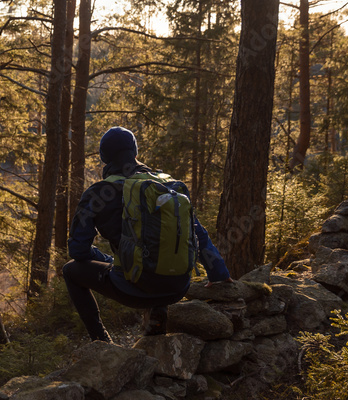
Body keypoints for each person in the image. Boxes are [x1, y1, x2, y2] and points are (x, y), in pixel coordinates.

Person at [63, 126, 232, 342]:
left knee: (70, 270)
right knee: (157, 246)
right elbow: (196, 233)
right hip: (178, 286)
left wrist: (108, 260)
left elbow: (78, 251)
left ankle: (101, 341)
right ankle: (155, 330)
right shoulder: (168, 184)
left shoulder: (98, 193)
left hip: (134, 289)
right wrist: (218, 271)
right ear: (135, 152)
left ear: (105, 158)